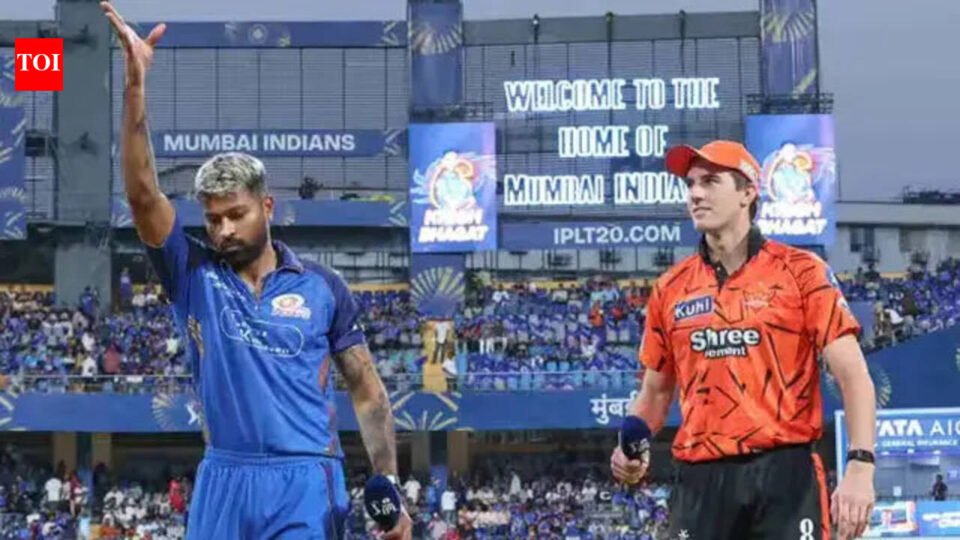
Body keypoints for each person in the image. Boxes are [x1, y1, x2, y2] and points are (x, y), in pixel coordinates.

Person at [101, 2, 412, 538]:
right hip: (224, 476)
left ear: (267, 207)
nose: (223, 229)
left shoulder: (323, 287)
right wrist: (135, 87)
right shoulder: (192, 273)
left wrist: (390, 488)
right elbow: (142, 194)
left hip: (306, 480)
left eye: (236, 214)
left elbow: (367, 391)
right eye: (213, 218)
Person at [610, 140, 876, 540]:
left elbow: (853, 375)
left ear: (748, 192)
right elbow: (655, 392)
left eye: (710, 182)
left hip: (785, 475)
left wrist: (860, 465)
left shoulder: (801, 272)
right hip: (700, 481)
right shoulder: (671, 287)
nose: (695, 194)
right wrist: (631, 446)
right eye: (691, 183)